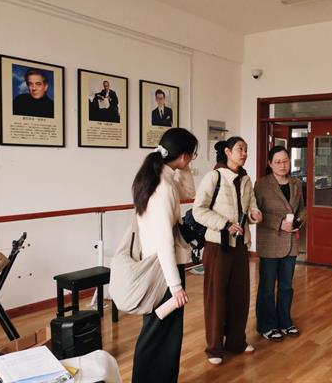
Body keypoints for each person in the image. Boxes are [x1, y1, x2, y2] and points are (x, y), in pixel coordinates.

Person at [131, 127, 198, 382]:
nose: (191, 160)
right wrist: (175, 286)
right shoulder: (162, 186)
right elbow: (164, 242)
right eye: (191, 155)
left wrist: (184, 165)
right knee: (158, 334)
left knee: (163, 333)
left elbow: (189, 192)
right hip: (162, 270)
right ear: (183, 155)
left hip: (160, 266)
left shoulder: (160, 176)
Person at [192, 136, 263, 365]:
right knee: (216, 298)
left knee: (240, 296)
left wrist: (254, 215)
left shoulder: (246, 179)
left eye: (246, 150)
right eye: (240, 149)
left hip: (240, 246)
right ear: (227, 152)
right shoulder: (214, 177)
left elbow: (251, 206)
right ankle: (214, 348)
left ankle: (236, 341)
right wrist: (224, 224)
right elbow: (198, 210)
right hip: (217, 246)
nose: (244, 153)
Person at [254, 146, 306, 341]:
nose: (282, 165)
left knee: (286, 286)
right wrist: (279, 223)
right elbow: (256, 213)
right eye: (278, 162)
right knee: (267, 288)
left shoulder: (296, 183)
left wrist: (299, 220)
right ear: (270, 164)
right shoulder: (261, 184)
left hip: (290, 242)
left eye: (285, 161)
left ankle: (285, 321)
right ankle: (266, 325)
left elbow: (303, 209)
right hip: (270, 242)